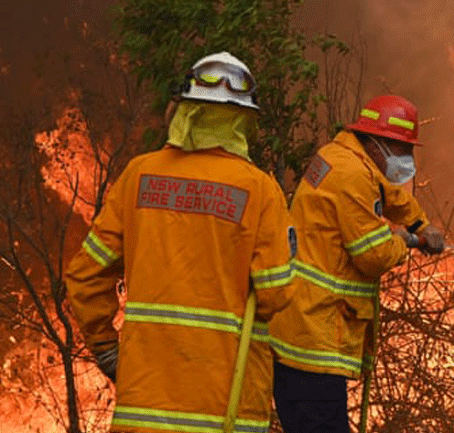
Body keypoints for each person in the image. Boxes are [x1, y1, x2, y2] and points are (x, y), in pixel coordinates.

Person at [65, 52, 295, 433]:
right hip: (226, 410)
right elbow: (275, 295)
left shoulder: (139, 175)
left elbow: (86, 274)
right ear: (243, 120)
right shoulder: (260, 191)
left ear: (184, 111)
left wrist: (107, 349)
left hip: (144, 408)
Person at [269, 94, 445, 432]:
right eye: (403, 150)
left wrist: (420, 224)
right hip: (314, 337)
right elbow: (373, 255)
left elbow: (386, 195)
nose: (407, 159)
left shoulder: (344, 156)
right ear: (378, 142)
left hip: (302, 328)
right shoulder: (351, 174)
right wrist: (403, 242)